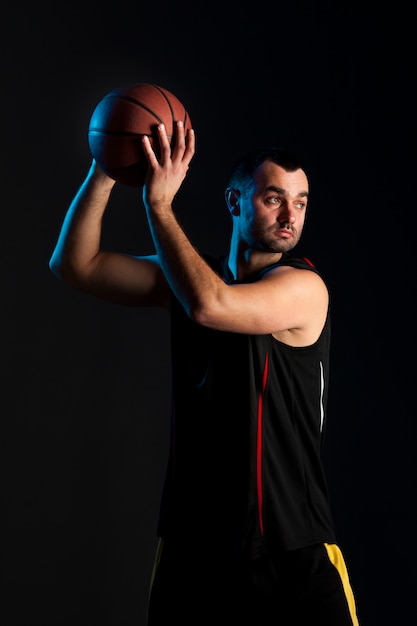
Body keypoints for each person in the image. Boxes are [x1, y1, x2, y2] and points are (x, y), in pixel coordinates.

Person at [49, 121, 360, 625]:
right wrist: (107, 167)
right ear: (235, 202)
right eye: (274, 198)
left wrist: (158, 205)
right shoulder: (191, 279)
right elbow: (76, 264)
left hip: (289, 553)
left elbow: (211, 306)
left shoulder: (304, 288)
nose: (289, 216)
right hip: (194, 552)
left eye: (300, 203)